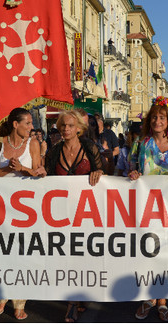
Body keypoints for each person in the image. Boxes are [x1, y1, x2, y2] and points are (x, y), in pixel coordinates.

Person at [129, 96, 168, 322]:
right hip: (145, 207)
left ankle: (162, 301)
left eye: (162, 117)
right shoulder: (140, 143)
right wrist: (133, 174)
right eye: (154, 117)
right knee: (146, 253)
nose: (158, 120)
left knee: (166, 253)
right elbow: (127, 168)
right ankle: (148, 297)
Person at [43, 110, 103, 322]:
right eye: (62, 127)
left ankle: (78, 297)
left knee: (84, 257)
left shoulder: (90, 148)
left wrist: (99, 173)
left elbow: (104, 174)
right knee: (69, 257)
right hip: (63, 213)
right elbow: (49, 182)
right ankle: (73, 302)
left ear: (79, 128)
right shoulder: (54, 151)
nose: (66, 130)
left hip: (88, 213)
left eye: (69, 126)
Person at [0, 108, 45, 320]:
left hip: (27, 208)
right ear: (15, 124)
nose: (31, 127)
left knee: (22, 254)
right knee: (3, 252)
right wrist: (8, 170)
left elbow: (38, 172)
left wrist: (22, 169)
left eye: (31, 123)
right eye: (27, 123)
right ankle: (2, 296)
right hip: (1, 207)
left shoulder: (33, 144)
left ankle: (19, 301)